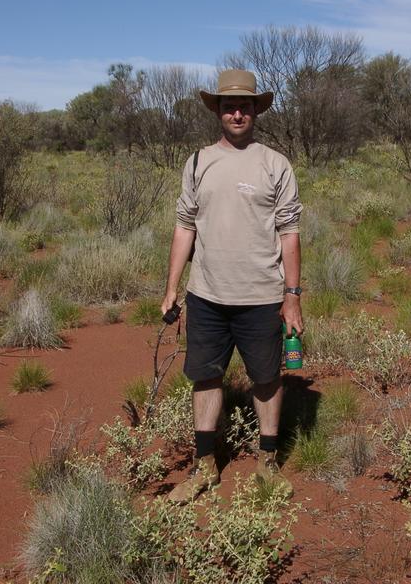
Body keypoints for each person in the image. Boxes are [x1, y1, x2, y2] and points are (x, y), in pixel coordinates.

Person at [161, 69, 303, 503]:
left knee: (266, 379)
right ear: (218, 111)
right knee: (205, 378)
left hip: (262, 296)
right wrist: (172, 287)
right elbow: (185, 226)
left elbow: (289, 232)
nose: (237, 113)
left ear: (256, 110)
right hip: (206, 295)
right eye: (228, 106)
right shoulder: (199, 161)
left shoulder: (275, 163)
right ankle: (205, 466)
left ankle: (267, 459)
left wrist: (292, 297)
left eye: (244, 106)